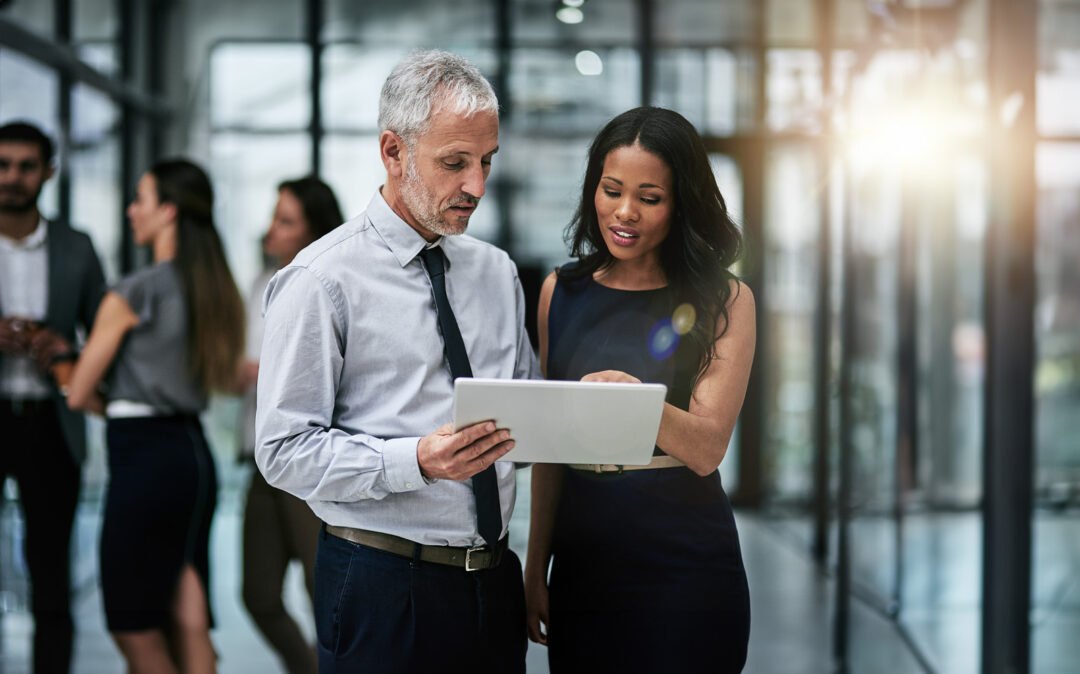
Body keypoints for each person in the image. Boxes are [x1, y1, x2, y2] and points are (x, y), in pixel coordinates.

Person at [255, 49, 538, 673]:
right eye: (455, 163)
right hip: (381, 582)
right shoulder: (321, 279)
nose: (477, 186)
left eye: (486, 162)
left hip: (493, 580)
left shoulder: (495, 272)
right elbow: (281, 451)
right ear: (393, 152)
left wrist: (590, 409)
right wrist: (414, 461)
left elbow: (526, 406)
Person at [523, 106, 757, 672]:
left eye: (649, 198)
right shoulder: (562, 289)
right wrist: (535, 570)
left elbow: (705, 449)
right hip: (583, 561)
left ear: (680, 205)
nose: (624, 212)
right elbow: (553, 451)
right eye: (611, 190)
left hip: (684, 565)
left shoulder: (726, 300)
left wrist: (635, 402)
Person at [66, 159, 244, 674]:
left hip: (143, 461)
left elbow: (79, 393)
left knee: (131, 623)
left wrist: (66, 367)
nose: (130, 210)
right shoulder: (213, 289)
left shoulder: (134, 291)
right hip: (192, 460)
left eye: (140, 199)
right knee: (189, 613)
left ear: (166, 212)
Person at [0, 121, 106, 674]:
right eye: (3, 165)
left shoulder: (77, 247)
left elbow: (104, 337)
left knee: (50, 574)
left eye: (25, 166)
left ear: (48, 172)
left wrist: (65, 348)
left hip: (51, 423)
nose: (12, 177)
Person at [236, 176, 343, 674]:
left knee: (320, 592)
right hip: (261, 459)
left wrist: (262, 374)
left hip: (310, 459)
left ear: (312, 231)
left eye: (286, 221)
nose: (270, 231)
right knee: (257, 593)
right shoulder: (263, 282)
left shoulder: (326, 284)